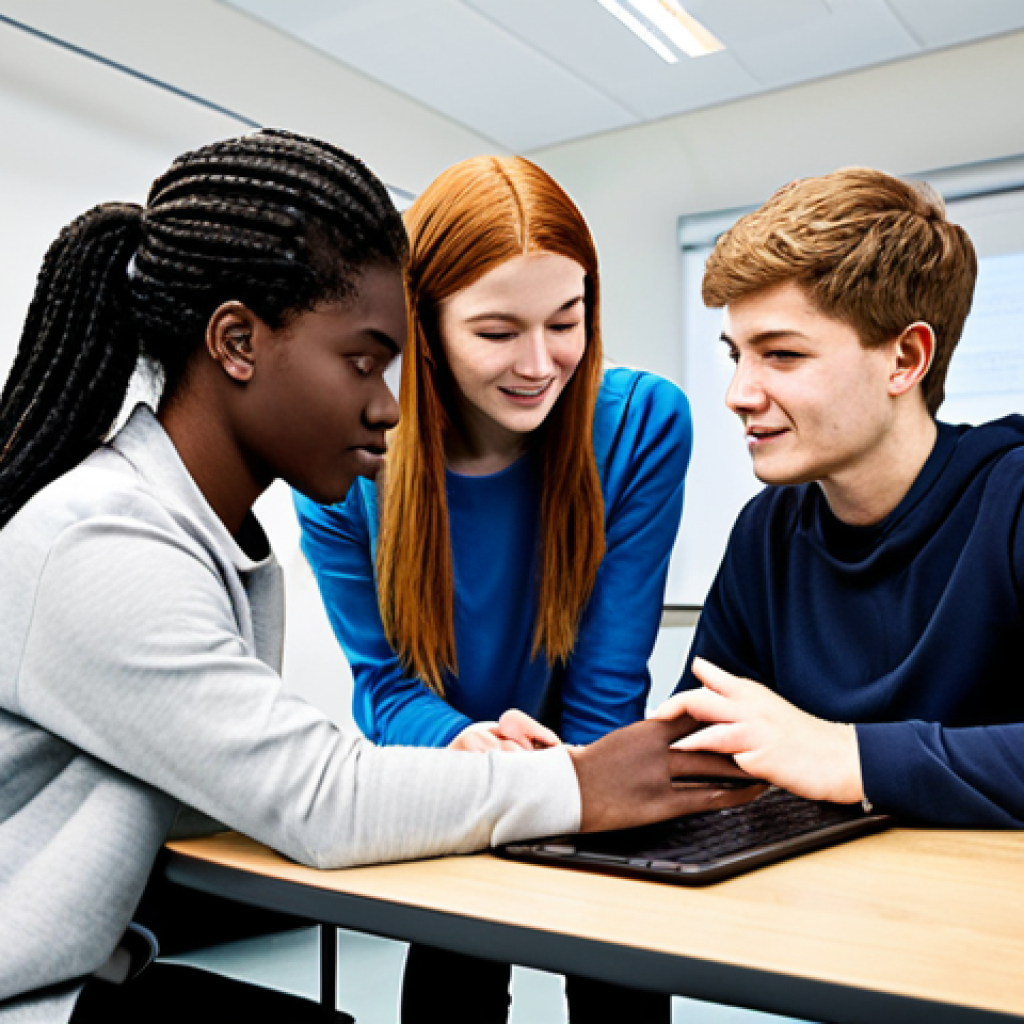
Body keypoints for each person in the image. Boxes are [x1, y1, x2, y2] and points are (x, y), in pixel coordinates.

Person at [0, 131, 752, 1024]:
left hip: (95, 964)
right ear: (235, 342)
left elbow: (238, 778)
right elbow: (321, 796)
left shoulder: (202, 532)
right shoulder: (106, 542)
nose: (388, 402)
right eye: (363, 361)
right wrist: (574, 784)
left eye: (565, 322)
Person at [295, 155, 694, 1023]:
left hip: (598, 782)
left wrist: (564, 787)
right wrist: (472, 749)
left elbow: (607, 688)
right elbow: (389, 687)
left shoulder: (640, 423)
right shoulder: (342, 464)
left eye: (566, 320)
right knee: (450, 992)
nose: (540, 363)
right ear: (422, 323)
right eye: (497, 331)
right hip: (457, 790)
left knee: (618, 990)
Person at [654, 167, 1024, 826]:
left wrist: (849, 755)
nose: (739, 393)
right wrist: (569, 771)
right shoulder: (765, 532)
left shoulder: (1012, 499)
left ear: (905, 360)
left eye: (783, 355)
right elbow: (700, 738)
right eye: (737, 354)